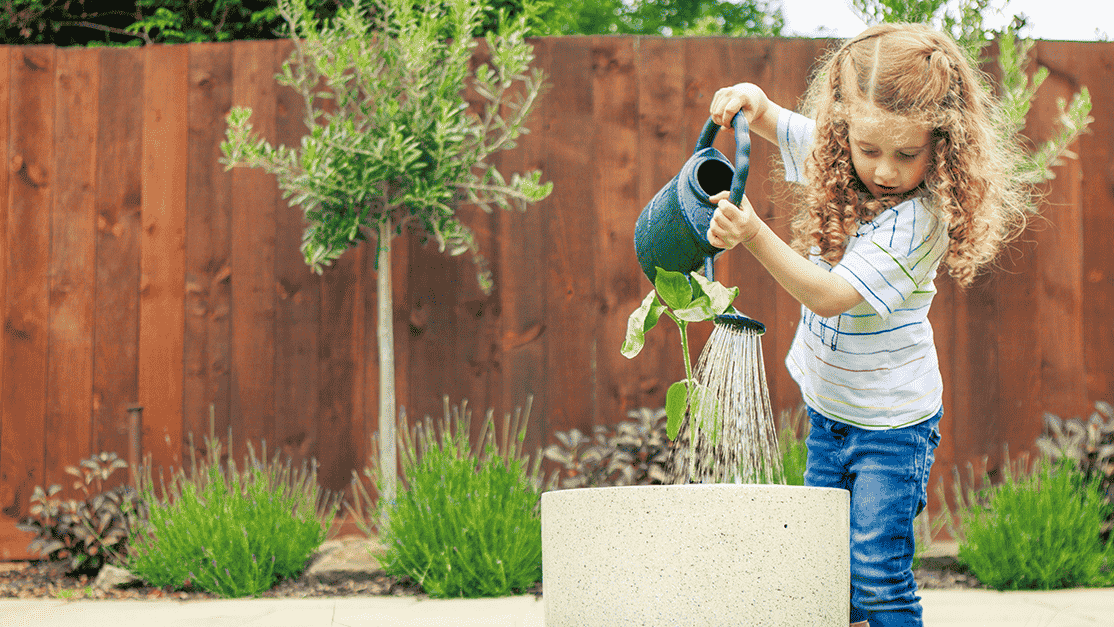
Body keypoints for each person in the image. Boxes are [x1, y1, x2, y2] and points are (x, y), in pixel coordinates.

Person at [706, 23, 1030, 627]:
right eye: (869, 148)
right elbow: (787, 127)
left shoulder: (918, 219)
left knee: (877, 577)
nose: (884, 170)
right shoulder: (843, 159)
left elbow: (832, 296)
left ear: (942, 145)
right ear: (845, 131)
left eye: (907, 154)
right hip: (830, 412)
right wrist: (756, 103)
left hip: (891, 428)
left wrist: (752, 233)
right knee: (828, 574)